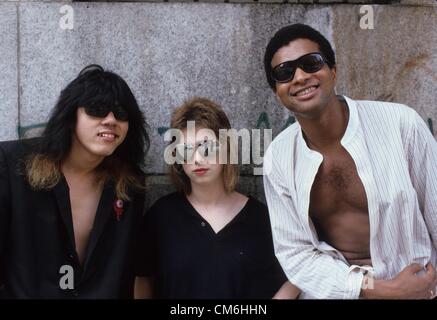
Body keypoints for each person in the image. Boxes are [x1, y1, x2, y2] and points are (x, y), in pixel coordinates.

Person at [262, 23, 437, 299]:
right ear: (277, 92)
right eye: (285, 73)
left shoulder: (401, 124)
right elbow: (296, 254)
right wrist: (377, 289)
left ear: (333, 71)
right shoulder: (279, 158)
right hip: (341, 291)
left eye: (311, 63)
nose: (299, 77)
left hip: (420, 286)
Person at [0, 65, 149, 298]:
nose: (110, 120)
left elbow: (127, 275)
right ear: (71, 115)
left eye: (121, 113)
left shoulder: (130, 185)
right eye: (97, 109)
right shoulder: (11, 166)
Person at [134, 97, 299, 299]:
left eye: (207, 147)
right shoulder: (160, 217)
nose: (198, 159)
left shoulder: (261, 220)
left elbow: (295, 274)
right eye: (186, 149)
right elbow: (143, 280)